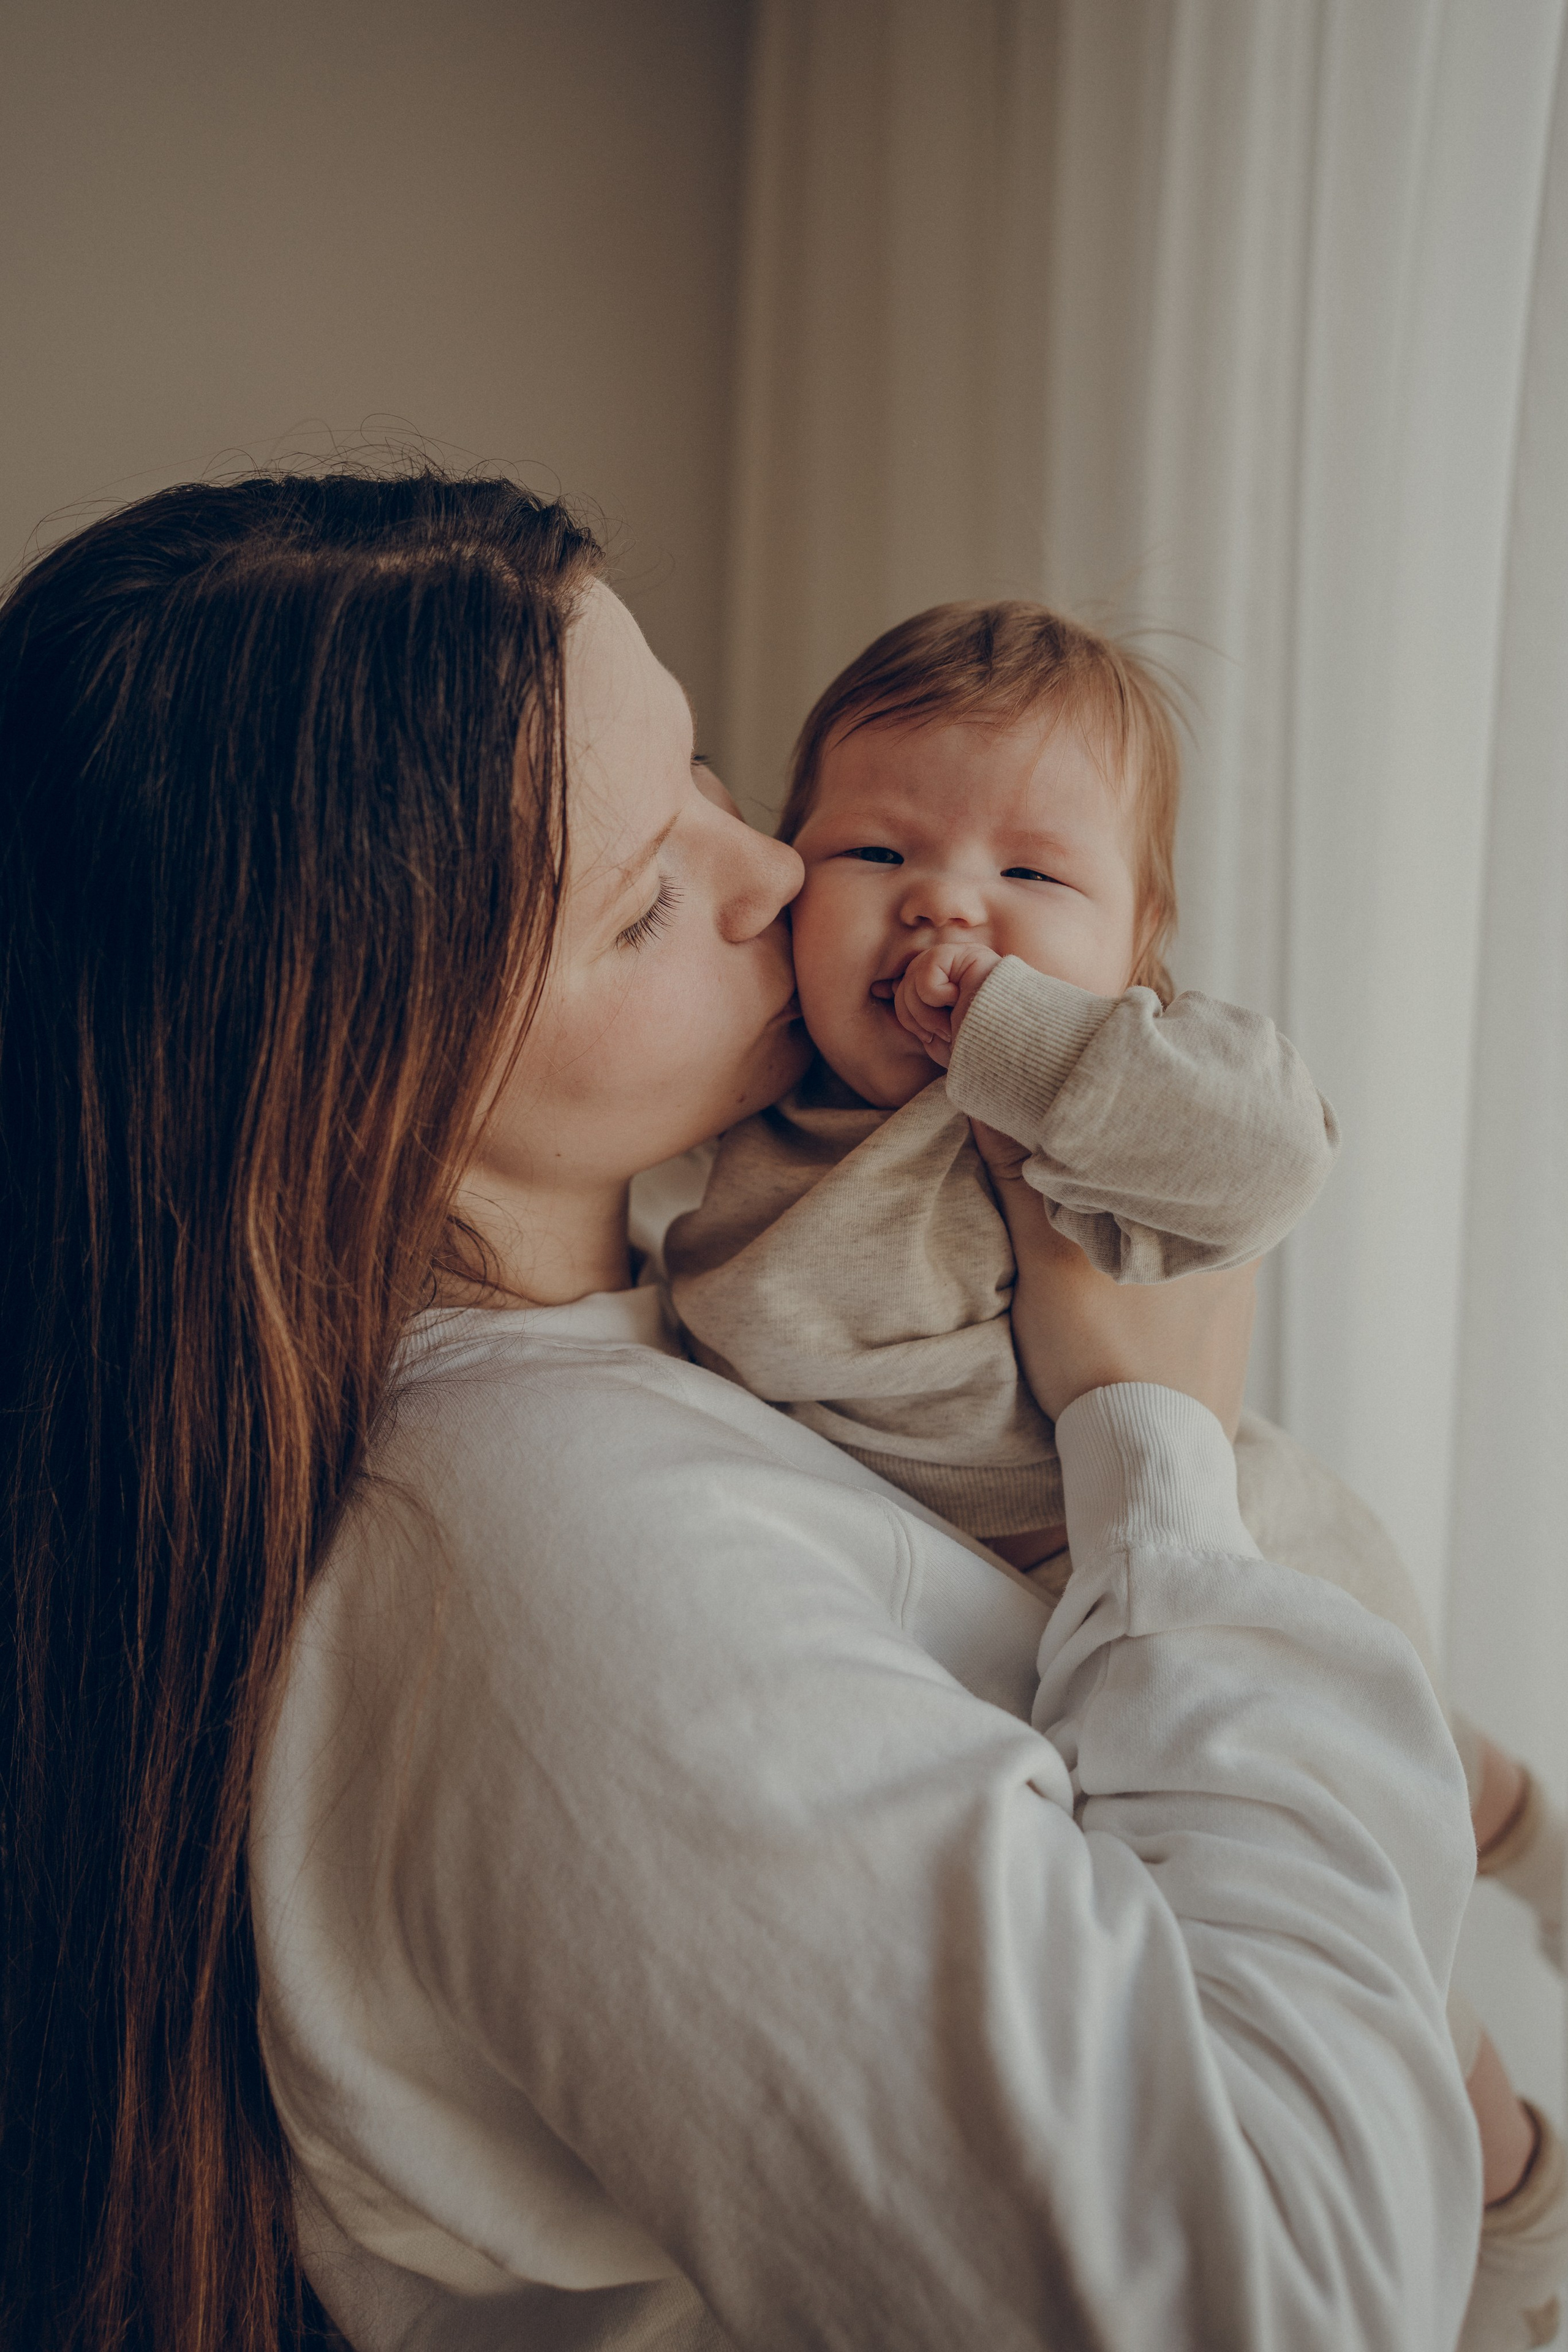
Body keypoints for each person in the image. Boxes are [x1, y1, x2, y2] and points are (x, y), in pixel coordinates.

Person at [1, 472, 1480, 2352]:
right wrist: (1153, 1433)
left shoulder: (667, 1353)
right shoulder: (543, 1560)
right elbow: (1284, 2311)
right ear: (368, 1077)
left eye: (705, 771)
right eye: (645, 904)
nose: (780, 872)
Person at [661, 600, 1568, 2347]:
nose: (949, 906)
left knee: (1393, 1934)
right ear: (789, 877)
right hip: (1041, 1633)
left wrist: (1020, 1033)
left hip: (1234, 1568)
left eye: (1034, 877)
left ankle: (1513, 2176)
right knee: (1351, 1918)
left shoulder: (1089, 1103)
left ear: (1141, 947)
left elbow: (1273, 1152)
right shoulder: (752, 1118)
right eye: (879, 848)